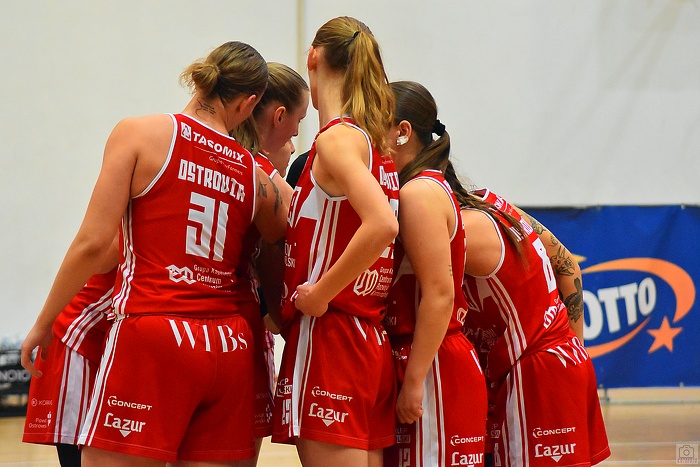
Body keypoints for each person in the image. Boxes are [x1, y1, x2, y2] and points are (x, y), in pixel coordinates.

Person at [21, 41, 287, 466]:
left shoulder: (140, 133)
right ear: (249, 103)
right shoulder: (254, 174)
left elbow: (94, 244)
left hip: (156, 332)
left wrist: (43, 322)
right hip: (229, 345)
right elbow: (287, 233)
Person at [271, 16, 400, 467]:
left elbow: (382, 225)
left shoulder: (336, 140)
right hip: (369, 339)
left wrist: (320, 294)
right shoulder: (375, 145)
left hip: (332, 338)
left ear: (313, 56)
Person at [457, 184, 610, 465]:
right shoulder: (490, 205)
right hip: (504, 372)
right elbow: (567, 266)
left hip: (535, 370)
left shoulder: (475, 217)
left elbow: (566, 266)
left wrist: (568, 352)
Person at [381, 81, 487, 467]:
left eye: (375, 124)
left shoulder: (419, 193)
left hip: (433, 366)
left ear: (402, 131)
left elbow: (440, 294)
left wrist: (414, 382)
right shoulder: (420, 187)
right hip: (427, 359)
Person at [229, 61, 309, 458]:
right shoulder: (258, 171)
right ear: (278, 117)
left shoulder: (210, 150)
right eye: (298, 123)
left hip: (158, 319)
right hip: (230, 330)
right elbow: (302, 237)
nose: (295, 139)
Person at [22, 267, 117, 467]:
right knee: (79, 449)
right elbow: (86, 253)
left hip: (112, 338)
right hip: (79, 337)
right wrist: (42, 325)